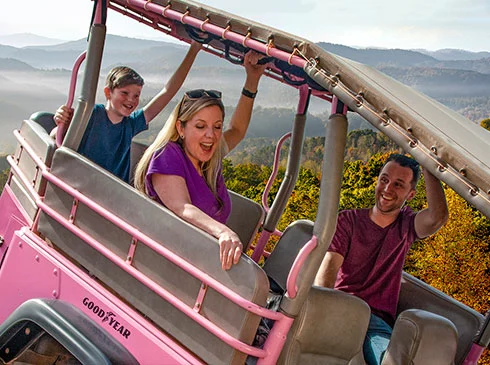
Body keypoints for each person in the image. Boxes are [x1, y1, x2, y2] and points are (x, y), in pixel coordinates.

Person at [134, 51, 267, 271]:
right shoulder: (168, 155)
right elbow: (182, 207)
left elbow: (238, 130)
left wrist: (252, 81)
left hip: (201, 261)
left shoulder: (209, 161)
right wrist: (224, 231)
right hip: (167, 262)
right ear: (181, 128)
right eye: (200, 126)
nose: (211, 135)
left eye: (217, 126)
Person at [314, 153, 449, 365]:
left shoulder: (406, 226)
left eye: (398, 184)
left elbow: (437, 217)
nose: (387, 189)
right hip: (343, 306)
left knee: (391, 359)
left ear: (411, 194)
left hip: (375, 321)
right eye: (384, 180)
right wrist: (324, 310)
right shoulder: (348, 220)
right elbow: (328, 270)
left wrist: (427, 164)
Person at [53, 41, 202, 183]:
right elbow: (57, 137)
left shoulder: (131, 124)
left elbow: (168, 92)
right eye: (124, 93)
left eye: (136, 95)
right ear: (108, 92)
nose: (131, 100)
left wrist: (193, 50)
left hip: (113, 193)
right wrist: (62, 120)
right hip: (81, 186)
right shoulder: (90, 114)